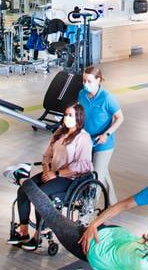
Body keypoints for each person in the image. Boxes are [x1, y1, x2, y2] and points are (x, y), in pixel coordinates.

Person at [9, 103, 93, 250]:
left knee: (40, 195)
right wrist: (47, 170)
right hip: (52, 173)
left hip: (70, 177)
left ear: (79, 118)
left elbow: (82, 165)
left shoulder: (83, 138)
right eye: (65, 114)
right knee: (24, 189)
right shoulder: (59, 133)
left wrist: (57, 174)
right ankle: (23, 232)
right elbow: (47, 155)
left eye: (70, 115)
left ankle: (38, 236)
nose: (66, 118)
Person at [77, 66, 123, 206]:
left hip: (103, 143)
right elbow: (80, 113)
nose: (86, 84)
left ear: (98, 80)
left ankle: (88, 212)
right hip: (87, 141)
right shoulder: (82, 94)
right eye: (84, 81)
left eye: (89, 81)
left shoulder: (107, 98)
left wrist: (106, 134)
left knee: (95, 179)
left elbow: (119, 118)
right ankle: (113, 204)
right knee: (102, 172)